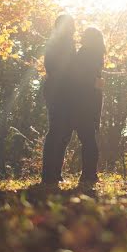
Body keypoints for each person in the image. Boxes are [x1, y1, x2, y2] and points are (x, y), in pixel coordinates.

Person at [40, 14, 75, 184]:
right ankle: (48, 174)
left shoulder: (68, 42)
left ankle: (55, 173)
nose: (73, 28)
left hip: (66, 91)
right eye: (70, 24)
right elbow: (51, 66)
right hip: (57, 91)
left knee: (65, 132)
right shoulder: (57, 42)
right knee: (56, 131)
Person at [70, 26, 105, 186]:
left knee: (87, 138)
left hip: (84, 99)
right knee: (89, 137)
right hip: (93, 99)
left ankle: (89, 174)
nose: (81, 37)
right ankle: (89, 173)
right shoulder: (97, 54)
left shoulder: (85, 53)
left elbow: (80, 77)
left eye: (85, 35)